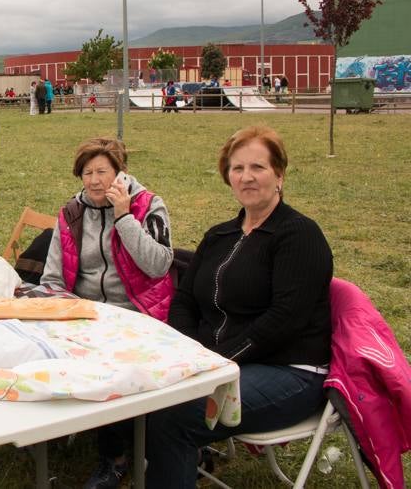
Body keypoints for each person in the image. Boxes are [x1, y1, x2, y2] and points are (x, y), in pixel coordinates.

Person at [145, 126, 333, 487]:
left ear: (279, 174)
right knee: (145, 393)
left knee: (173, 415)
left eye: (258, 168)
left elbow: (284, 321)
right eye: (237, 168)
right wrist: (189, 352)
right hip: (220, 362)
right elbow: (185, 299)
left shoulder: (298, 235)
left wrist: (214, 362)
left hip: (290, 371)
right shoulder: (220, 235)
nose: (247, 177)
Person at [40, 137, 174, 488]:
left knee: (109, 363)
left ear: (120, 174)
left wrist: (125, 217)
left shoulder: (149, 205)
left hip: (136, 312)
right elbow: (52, 277)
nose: (95, 180)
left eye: (103, 171)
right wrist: (64, 310)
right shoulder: (71, 212)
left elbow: (159, 265)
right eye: (87, 172)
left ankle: (114, 458)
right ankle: (50, 428)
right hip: (86, 312)